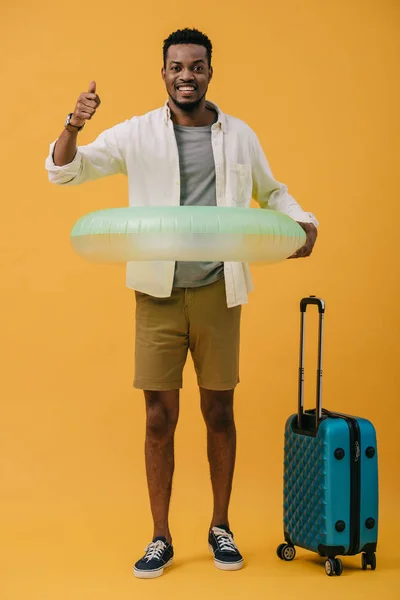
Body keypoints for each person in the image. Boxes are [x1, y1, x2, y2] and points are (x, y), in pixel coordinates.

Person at [45, 27, 318, 579]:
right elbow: (66, 170)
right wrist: (74, 124)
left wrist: (302, 222)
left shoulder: (239, 135)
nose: (186, 75)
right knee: (157, 418)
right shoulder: (137, 134)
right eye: (176, 66)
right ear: (163, 72)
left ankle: (221, 527)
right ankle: (160, 537)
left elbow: (272, 192)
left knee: (219, 411)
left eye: (196, 66)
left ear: (210, 71)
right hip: (157, 292)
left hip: (220, 289)